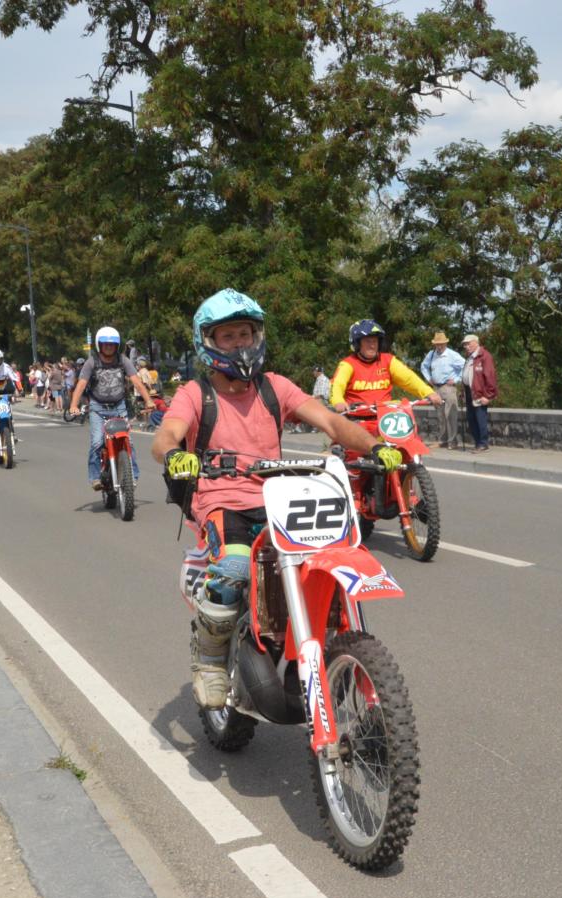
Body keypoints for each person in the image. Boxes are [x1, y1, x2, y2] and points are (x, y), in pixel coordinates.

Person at [150, 289, 405, 708]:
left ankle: (327, 650)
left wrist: (375, 446)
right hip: (222, 500)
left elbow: (331, 422)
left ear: (257, 336)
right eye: (228, 336)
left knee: (325, 563)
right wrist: (175, 455)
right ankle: (210, 659)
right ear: (208, 342)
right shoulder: (196, 393)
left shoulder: (275, 387)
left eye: (245, 334)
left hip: (278, 498)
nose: (239, 343)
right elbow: (167, 434)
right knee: (234, 568)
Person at [69, 326, 149, 490]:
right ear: (99, 345)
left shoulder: (123, 360)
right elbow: (81, 385)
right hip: (97, 408)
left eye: (112, 344)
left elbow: (137, 381)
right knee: (97, 442)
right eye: (105, 344)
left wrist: (149, 400)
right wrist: (73, 405)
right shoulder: (92, 362)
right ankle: (95, 477)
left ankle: (132, 476)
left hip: (119, 407)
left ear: (117, 345)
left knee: (128, 442)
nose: (109, 347)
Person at [328, 319, 441, 413]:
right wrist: (338, 402)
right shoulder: (348, 364)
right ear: (357, 343)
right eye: (368, 341)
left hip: (385, 417)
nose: (372, 345)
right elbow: (337, 385)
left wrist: (428, 393)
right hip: (355, 419)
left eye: (375, 341)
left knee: (411, 433)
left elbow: (409, 379)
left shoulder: (388, 361)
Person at [420, 331, 465, 448]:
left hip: (448, 387)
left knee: (450, 415)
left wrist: (456, 379)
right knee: (440, 415)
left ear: (445, 344)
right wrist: (429, 378)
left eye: (441, 344)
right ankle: (442, 440)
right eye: (437, 344)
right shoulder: (431, 354)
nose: (439, 346)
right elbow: (423, 366)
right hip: (436, 387)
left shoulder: (452, 355)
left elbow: (465, 366)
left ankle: (452, 441)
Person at [460, 333, 498, 452]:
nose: (466, 346)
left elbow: (490, 377)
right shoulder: (470, 357)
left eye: (468, 344)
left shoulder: (485, 356)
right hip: (469, 391)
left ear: (476, 343)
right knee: (471, 419)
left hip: (480, 393)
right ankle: (478, 443)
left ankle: (483, 444)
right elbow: (467, 376)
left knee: (480, 419)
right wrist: (463, 392)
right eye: (465, 344)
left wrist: (488, 396)